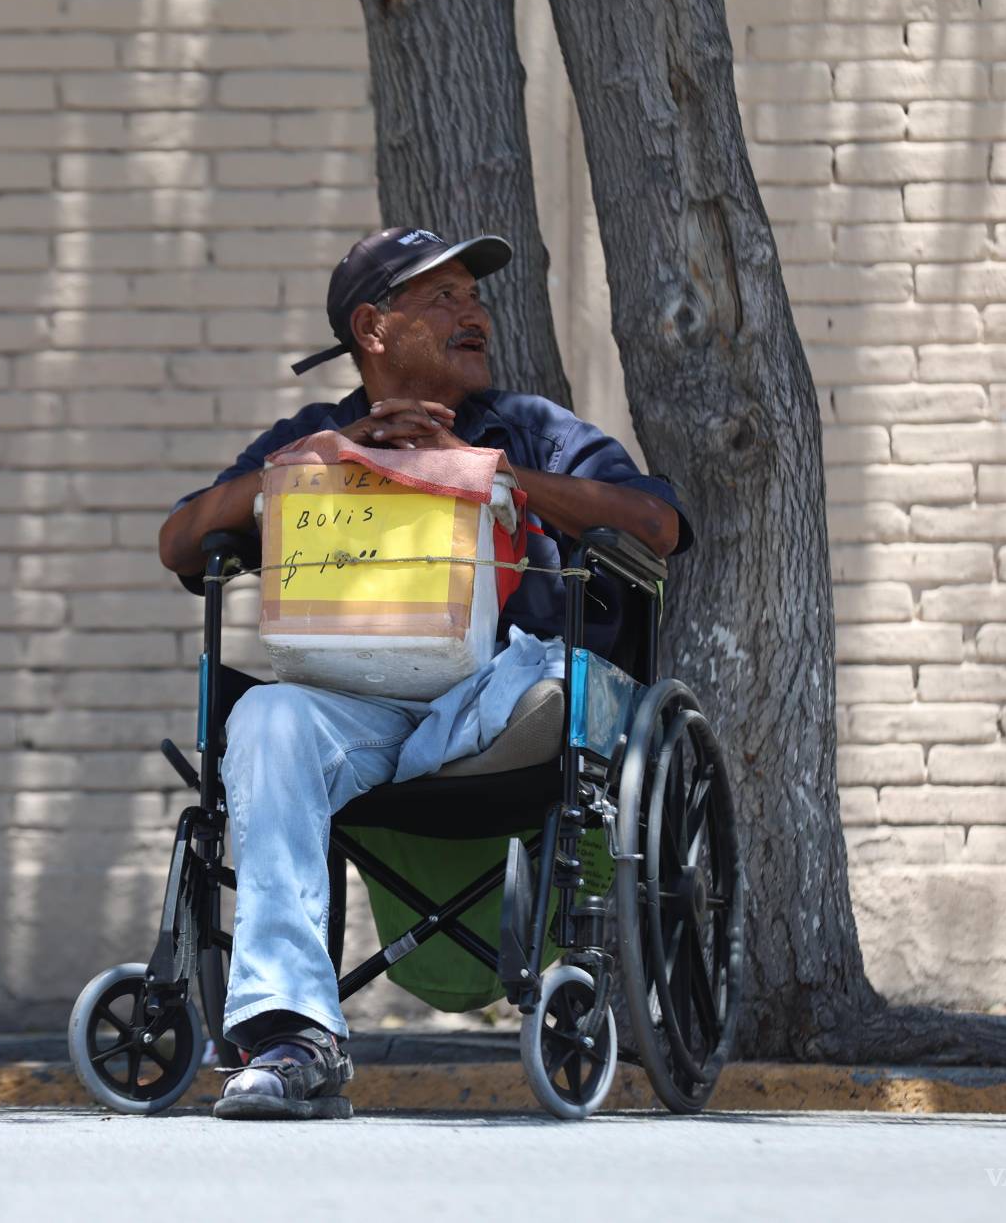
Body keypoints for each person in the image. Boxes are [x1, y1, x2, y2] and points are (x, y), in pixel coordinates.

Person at [158, 228, 692, 1120]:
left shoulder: (530, 430)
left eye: (472, 299)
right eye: (442, 298)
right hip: (359, 713)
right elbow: (179, 540)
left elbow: (656, 525)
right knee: (265, 723)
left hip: (499, 708)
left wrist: (497, 478)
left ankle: (445, 748)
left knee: (540, 678)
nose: (473, 313)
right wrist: (323, 463)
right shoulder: (311, 439)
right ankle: (293, 1034)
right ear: (373, 327)